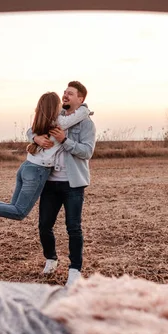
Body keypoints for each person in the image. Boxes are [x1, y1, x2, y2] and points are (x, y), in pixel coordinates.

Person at [0, 91, 92, 227]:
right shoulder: (59, 123)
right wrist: (85, 108)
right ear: (55, 107)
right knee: (19, 211)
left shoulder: (40, 121)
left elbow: (29, 131)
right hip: (37, 171)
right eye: (59, 104)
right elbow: (79, 115)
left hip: (26, 166)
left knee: (13, 205)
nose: (61, 105)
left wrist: (35, 137)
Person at [30, 81, 96, 287]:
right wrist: (36, 138)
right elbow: (31, 129)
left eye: (70, 93)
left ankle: (75, 270)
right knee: (44, 225)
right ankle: (51, 259)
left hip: (73, 184)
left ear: (81, 99)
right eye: (64, 93)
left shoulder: (86, 124)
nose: (65, 96)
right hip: (50, 182)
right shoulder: (54, 118)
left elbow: (87, 152)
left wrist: (65, 140)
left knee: (73, 228)